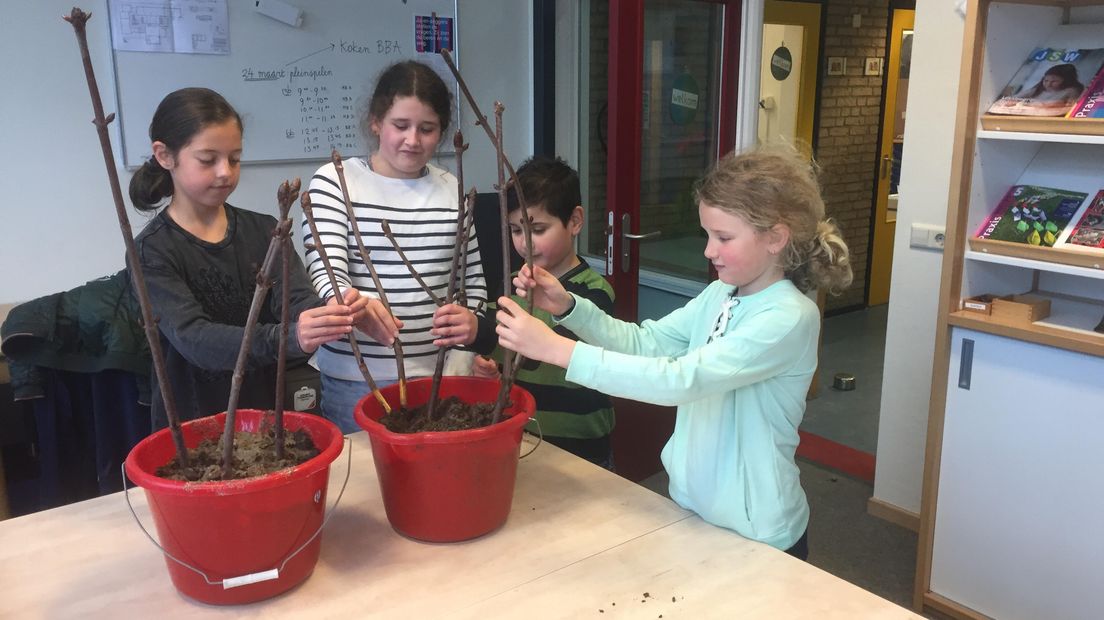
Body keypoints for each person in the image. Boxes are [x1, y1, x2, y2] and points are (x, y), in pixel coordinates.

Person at [493, 145, 853, 560]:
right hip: (692, 509)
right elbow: (647, 343)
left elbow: (681, 380)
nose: (708, 251)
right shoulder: (720, 294)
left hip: (758, 533)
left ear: (775, 237)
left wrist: (559, 350)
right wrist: (572, 309)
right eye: (707, 235)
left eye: (723, 237)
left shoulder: (789, 317)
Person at [129, 87, 372, 430]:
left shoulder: (265, 232)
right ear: (165, 155)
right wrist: (287, 337)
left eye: (235, 158)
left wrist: (327, 314)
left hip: (264, 419)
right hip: (191, 427)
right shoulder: (151, 250)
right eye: (208, 159)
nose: (225, 172)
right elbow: (194, 338)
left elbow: (296, 299)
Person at [302, 61, 488, 433]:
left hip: (439, 377)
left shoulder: (452, 187)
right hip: (357, 379)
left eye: (428, 129)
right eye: (400, 126)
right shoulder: (336, 181)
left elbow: (472, 282)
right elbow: (325, 271)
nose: (413, 140)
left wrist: (473, 324)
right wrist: (351, 304)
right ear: (376, 122)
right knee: (367, 485)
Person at [433, 155, 616, 468]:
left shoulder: (592, 293)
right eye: (516, 230)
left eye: (538, 229)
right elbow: (506, 354)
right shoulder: (513, 287)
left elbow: (542, 354)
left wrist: (479, 332)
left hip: (580, 443)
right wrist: (491, 369)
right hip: (523, 431)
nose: (525, 243)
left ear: (574, 221)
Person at [1015, 63, 1084, 104]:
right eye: (1046, 80)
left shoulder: (1070, 91)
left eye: (1054, 81)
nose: (1048, 84)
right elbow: (1016, 97)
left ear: (1066, 81)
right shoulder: (1039, 88)